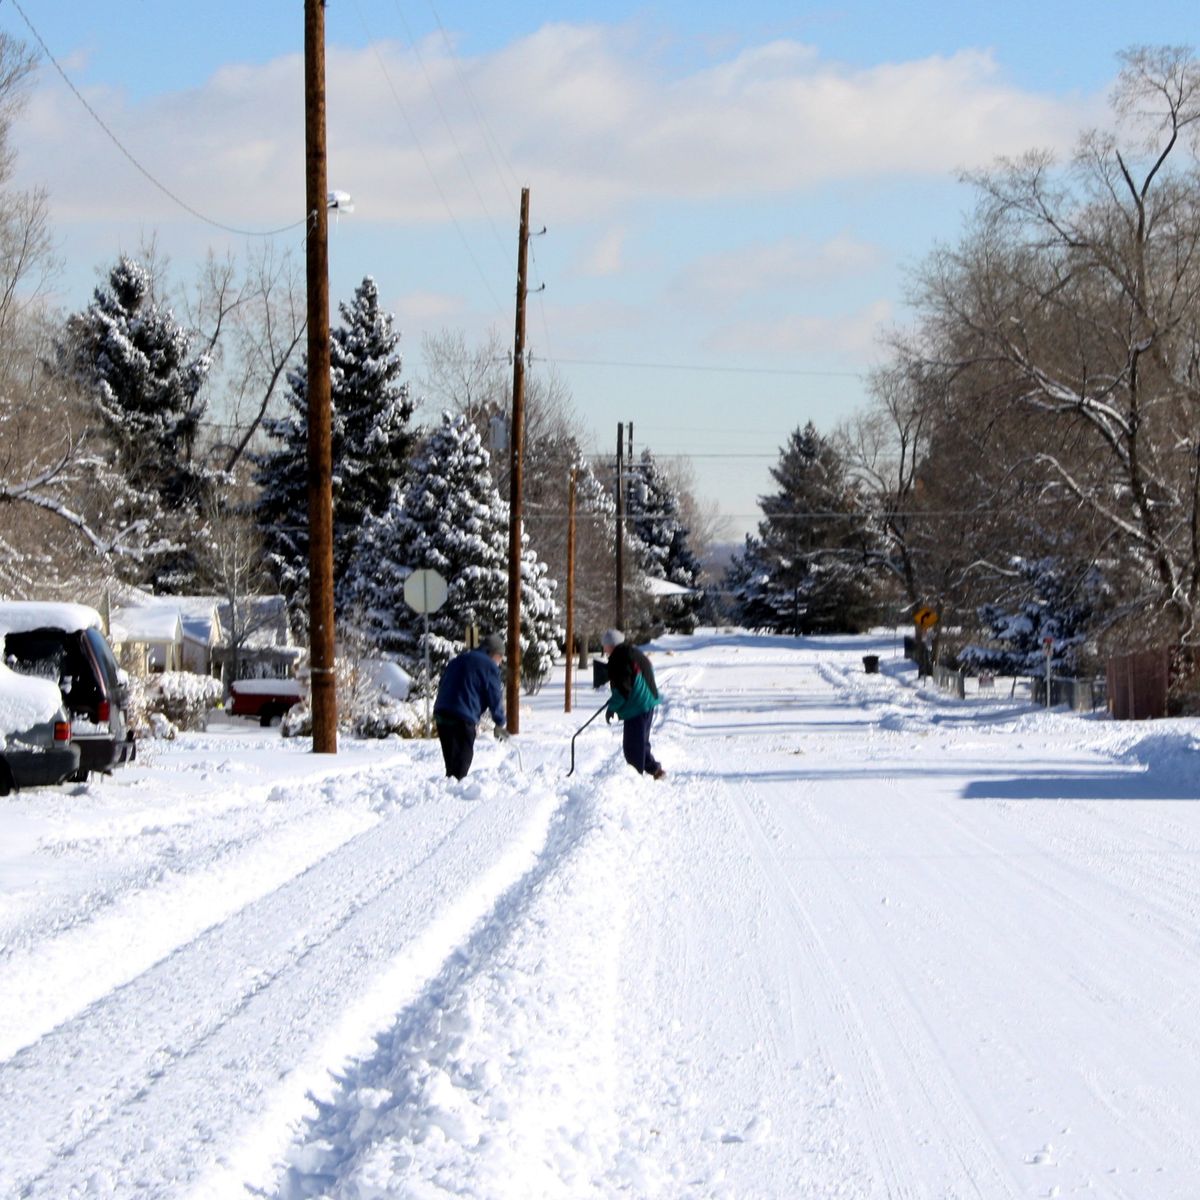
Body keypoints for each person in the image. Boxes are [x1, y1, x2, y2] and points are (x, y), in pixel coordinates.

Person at [433, 633, 510, 779]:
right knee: (462, 762)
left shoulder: (459, 659)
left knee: (451, 764)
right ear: (493, 653)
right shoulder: (489, 666)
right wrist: (500, 722)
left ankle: (448, 790)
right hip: (462, 716)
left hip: (441, 713)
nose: (500, 662)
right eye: (500, 657)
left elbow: (443, 682)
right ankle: (455, 796)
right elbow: (494, 696)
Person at [601, 628, 665, 779]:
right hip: (647, 702)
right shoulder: (633, 652)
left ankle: (634, 781)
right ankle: (655, 770)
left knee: (632, 747)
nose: (604, 648)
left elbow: (623, 688)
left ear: (611, 644)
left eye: (604, 645)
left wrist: (612, 707)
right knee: (641, 741)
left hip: (637, 706)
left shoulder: (619, 658)